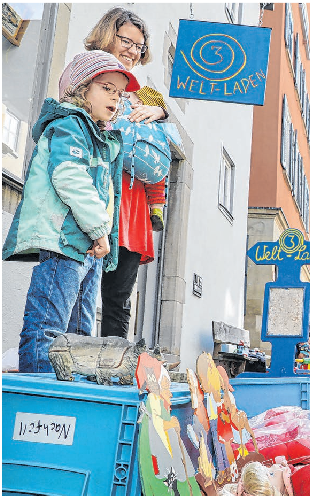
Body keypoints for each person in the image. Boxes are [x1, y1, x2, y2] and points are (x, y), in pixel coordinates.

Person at [3, 51, 138, 372]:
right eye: (107, 88)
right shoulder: (70, 125)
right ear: (80, 88)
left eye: (119, 93)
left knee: (80, 335)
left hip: (87, 246)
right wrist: (99, 229)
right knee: (48, 328)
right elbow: (69, 175)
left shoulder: (99, 136)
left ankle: (71, 398)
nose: (115, 98)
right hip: (64, 240)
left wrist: (100, 235)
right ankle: (37, 394)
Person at [81, 8, 170, 339]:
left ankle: (112, 369)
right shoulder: (85, 71)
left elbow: (164, 128)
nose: (133, 51)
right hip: (93, 200)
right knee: (79, 293)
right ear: (108, 34)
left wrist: (160, 111)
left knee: (118, 300)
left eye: (140, 46)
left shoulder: (144, 92)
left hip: (131, 212)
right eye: (127, 41)